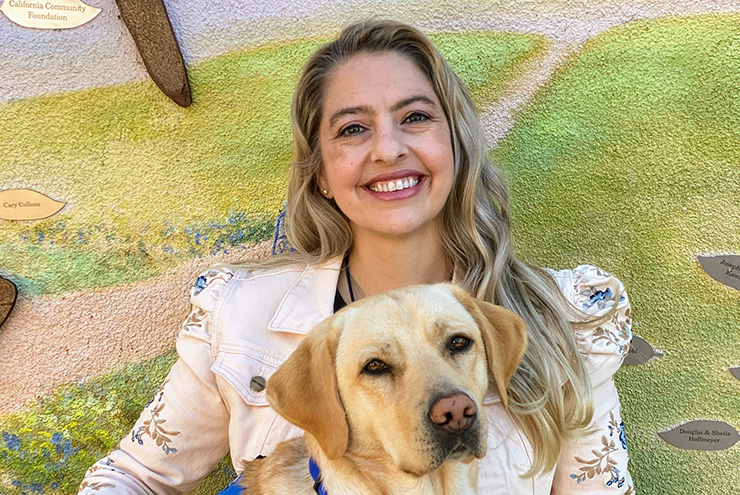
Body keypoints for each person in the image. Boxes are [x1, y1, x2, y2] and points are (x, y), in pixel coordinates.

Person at [79, 19, 634, 494]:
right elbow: (132, 475)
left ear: (456, 146)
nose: (388, 149)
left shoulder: (564, 320)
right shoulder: (240, 313)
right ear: (320, 171)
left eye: (415, 117)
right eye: (352, 129)